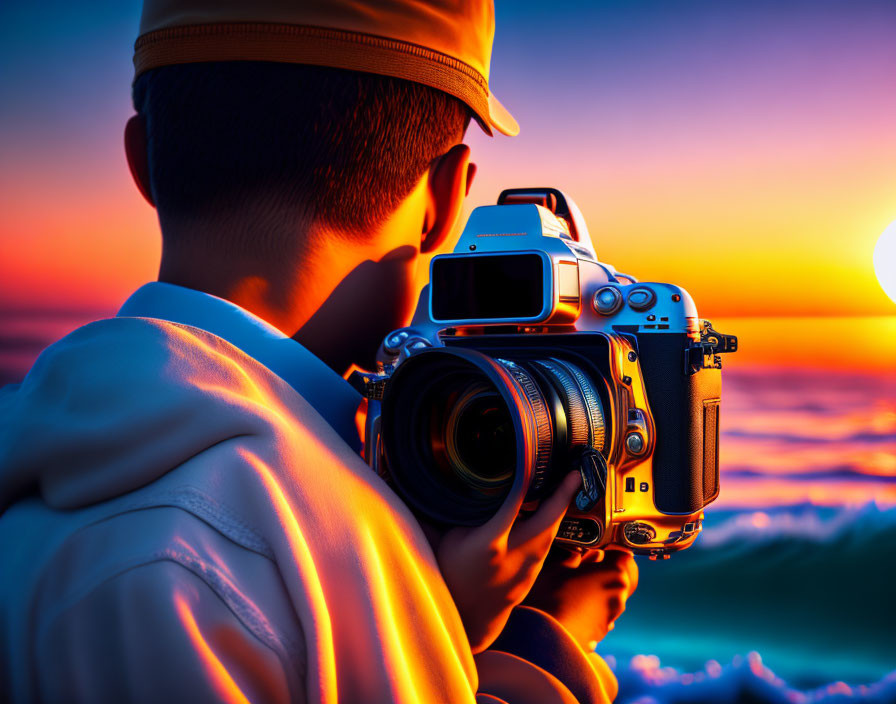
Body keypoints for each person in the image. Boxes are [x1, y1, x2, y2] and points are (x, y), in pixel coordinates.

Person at [0, 1, 637, 702]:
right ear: (447, 200)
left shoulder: (41, 456)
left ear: (141, 160)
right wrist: (544, 650)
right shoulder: (202, 573)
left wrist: (448, 618)